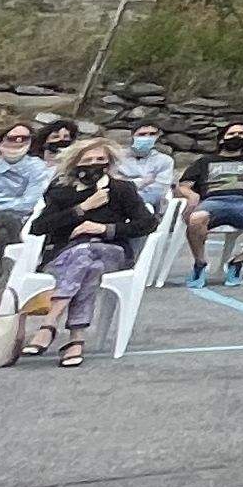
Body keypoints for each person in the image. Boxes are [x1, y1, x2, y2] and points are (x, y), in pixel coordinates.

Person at [26, 141, 154, 365]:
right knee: (88, 264)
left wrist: (105, 229)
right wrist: (82, 208)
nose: (94, 165)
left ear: (109, 163)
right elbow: (39, 227)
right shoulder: (60, 191)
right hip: (65, 254)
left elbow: (147, 223)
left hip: (111, 251)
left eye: (100, 160)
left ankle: (49, 323)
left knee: (87, 253)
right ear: (74, 163)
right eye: (87, 161)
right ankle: (77, 339)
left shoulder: (122, 189)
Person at [183, 121, 243, 284]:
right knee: (196, 219)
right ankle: (200, 263)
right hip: (213, 202)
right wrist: (192, 197)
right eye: (232, 134)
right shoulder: (204, 162)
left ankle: (238, 260)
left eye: (241, 134)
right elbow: (183, 186)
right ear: (221, 139)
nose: (237, 137)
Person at [0, 121, 50, 270]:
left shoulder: (37, 167)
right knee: (0, 232)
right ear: (0, 140)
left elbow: (29, 203)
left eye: (24, 138)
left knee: (5, 221)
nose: (18, 142)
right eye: (12, 138)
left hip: (18, 218)